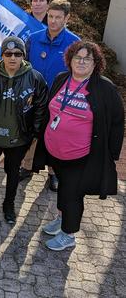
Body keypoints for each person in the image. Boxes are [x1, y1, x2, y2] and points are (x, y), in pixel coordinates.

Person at [33, 42, 124, 251]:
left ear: (96, 63)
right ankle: (61, 218)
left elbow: (118, 120)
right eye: (77, 57)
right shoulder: (61, 79)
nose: (81, 62)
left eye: (87, 58)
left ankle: (69, 234)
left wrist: (112, 153)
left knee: (72, 194)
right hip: (55, 150)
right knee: (63, 189)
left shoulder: (104, 88)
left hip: (81, 155)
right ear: (70, 59)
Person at [0, 37, 48, 225]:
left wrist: (35, 133)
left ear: (23, 55)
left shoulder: (35, 78)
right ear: (2, 55)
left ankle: (8, 205)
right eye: (8, 53)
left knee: (13, 172)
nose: (13, 57)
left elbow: (41, 106)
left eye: (17, 54)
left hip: (19, 137)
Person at [23, 0, 80, 190]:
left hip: (60, 100)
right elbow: (24, 66)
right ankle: (27, 166)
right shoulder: (33, 38)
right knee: (32, 133)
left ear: (67, 18)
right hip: (34, 97)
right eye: (50, 16)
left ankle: (54, 172)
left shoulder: (74, 43)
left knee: (55, 136)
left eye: (58, 17)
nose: (53, 21)